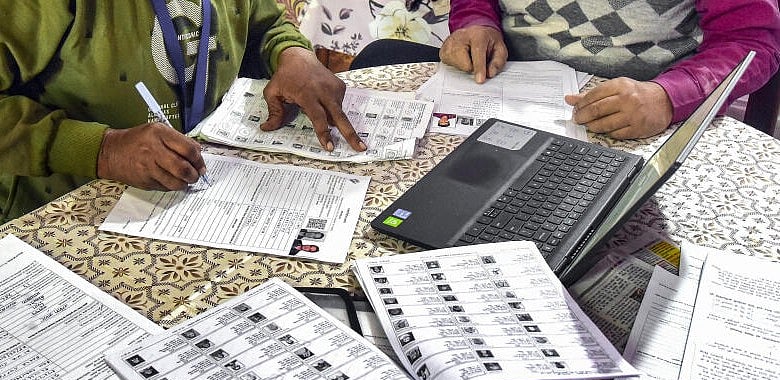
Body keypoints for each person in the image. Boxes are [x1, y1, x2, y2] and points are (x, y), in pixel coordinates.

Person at [0, 0, 368, 223]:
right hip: (68, 214)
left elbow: (265, 23)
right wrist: (103, 150)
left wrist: (292, 54)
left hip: (200, 197)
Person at [353, 0, 780, 140]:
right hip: (505, 93)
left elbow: (754, 40)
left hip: (637, 116)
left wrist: (671, 96)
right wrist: (475, 20)